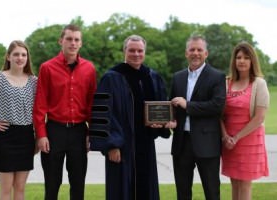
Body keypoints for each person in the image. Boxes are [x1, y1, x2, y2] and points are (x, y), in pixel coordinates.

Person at [89, 34, 176, 200]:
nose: (136, 54)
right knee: (121, 191)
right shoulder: (111, 77)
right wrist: (111, 145)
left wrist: (162, 124)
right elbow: (103, 113)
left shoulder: (152, 77)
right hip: (122, 147)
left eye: (140, 51)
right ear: (125, 51)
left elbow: (160, 106)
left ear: (145, 52)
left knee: (146, 189)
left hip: (145, 145)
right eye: (132, 50)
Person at [33, 24, 96, 200]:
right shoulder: (47, 68)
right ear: (61, 41)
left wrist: (91, 133)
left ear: (81, 43)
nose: (73, 43)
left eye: (76, 39)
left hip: (79, 131)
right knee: (52, 183)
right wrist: (41, 134)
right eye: (69, 39)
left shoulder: (89, 69)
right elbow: (40, 104)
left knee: (78, 183)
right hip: (54, 131)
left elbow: (92, 104)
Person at [0, 40, 37, 200]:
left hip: (26, 137)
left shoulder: (34, 81)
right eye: (16, 54)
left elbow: (41, 110)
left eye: (23, 54)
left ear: (27, 58)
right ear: (8, 57)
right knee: (5, 189)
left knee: (20, 188)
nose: (20, 58)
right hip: (5, 137)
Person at [170, 35, 226, 200]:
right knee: (183, 192)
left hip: (207, 144)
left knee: (212, 192)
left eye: (199, 50)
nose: (195, 53)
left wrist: (187, 105)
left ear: (206, 53)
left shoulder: (217, 76)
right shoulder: (177, 77)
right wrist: (170, 120)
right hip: (182, 143)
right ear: (186, 53)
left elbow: (217, 106)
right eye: (192, 49)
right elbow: (172, 104)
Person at [221, 42, 269, 200]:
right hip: (228, 141)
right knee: (234, 182)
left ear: (252, 61)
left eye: (246, 58)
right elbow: (218, 114)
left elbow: (259, 117)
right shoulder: (226, 83)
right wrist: (225, 136)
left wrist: (236, 137)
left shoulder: (259, 84)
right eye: (239, 57)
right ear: (234, 60)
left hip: (249, 140)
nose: (242, 61)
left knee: (245, 184)